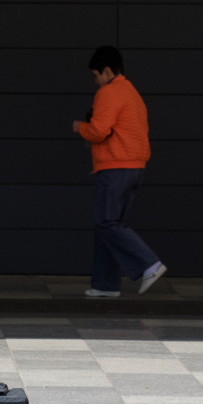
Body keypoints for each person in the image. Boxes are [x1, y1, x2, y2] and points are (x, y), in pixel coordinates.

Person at [72, 45, 165, 298]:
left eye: (96, 75)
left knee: (106, 223)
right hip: (134, 167)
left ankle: (150, 264)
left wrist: (81, 127)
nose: (96, 81)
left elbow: (99, 131)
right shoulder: (132, 92)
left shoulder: (109, 92)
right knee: (109, 226)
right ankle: (105, 285)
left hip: (116, 167)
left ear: (107, 70)